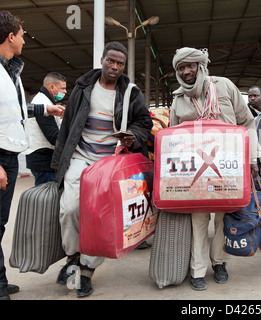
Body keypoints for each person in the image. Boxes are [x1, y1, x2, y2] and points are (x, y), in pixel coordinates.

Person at [51, 41, 152, 298]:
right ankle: (73, 257)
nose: (115, 67)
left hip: (109, 164)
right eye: (111, 61)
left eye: (120, 63)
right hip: (80, 157)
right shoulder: (83, 88)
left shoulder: (131, 92)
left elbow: (144, 122)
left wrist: (133, 136)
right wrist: (58, 163)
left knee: (99, 218)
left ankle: (86, 270)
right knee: (69, 209)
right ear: (102, 60)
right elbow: (68, 126)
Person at [170, 47, 258, 291]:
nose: (186, 71)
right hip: (193, 171)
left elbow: (247, 123)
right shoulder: (178, 99)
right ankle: (197, 270)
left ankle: (219, 263)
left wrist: (252, 159)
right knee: (198, 219)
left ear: (201, 65)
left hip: (228, 165)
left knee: (223, 218)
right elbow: (170, 139)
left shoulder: (225, 86)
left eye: (191, 65)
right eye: (181, 68)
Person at [0, 10, 64, 300]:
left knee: (1, 221)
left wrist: (44, 109)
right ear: (10, 36)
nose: (25, 40)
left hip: (12, 155)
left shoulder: (10, 71)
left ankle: (0, 280)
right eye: (23, 34)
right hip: (1, 157)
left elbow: (15, 110)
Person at [24, 72, 67, 186]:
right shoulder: (41, 103)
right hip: (43, 159)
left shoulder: (47, 102)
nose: (65, 92)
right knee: (46, 199)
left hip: (45, 158)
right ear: (52, 87)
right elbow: (53, 136)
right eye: (62, 88)